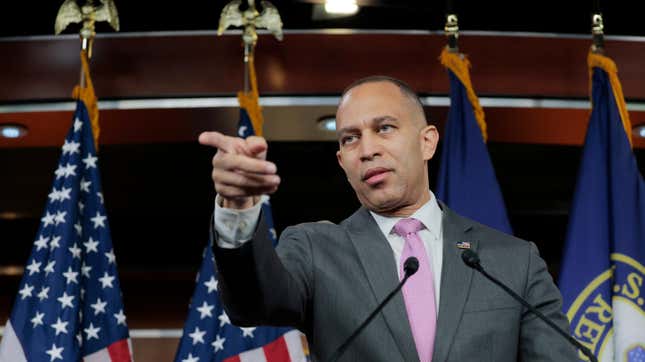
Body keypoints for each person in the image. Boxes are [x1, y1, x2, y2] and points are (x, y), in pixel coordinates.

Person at [198, 76, 578, 361]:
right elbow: (250, 303)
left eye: (384, 128)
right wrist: (237, 207)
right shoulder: (315, 250)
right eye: (349, 139)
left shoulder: (513, 262)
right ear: (342, 162)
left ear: (427, 141)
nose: (367, 150)